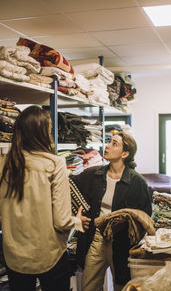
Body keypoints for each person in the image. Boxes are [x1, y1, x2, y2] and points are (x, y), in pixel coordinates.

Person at [0, 105, 91, 291]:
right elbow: (61, 220)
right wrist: (77, 221)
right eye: (49, 129)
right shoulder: (54, 163)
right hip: (47, 254)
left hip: (13, 255)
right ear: (42, 132)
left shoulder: (5, 164)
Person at [70, 131, 152, 291]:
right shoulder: (93, 174)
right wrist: (76, 214)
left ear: (125, 153)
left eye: (114, 143)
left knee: (123, 285)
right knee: (89, 285)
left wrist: (128, 224)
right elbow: (69, 185)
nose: (107, 145)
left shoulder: (137, 182)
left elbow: (146, 215)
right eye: (109, 141)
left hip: (122, 241)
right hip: (96, 236)